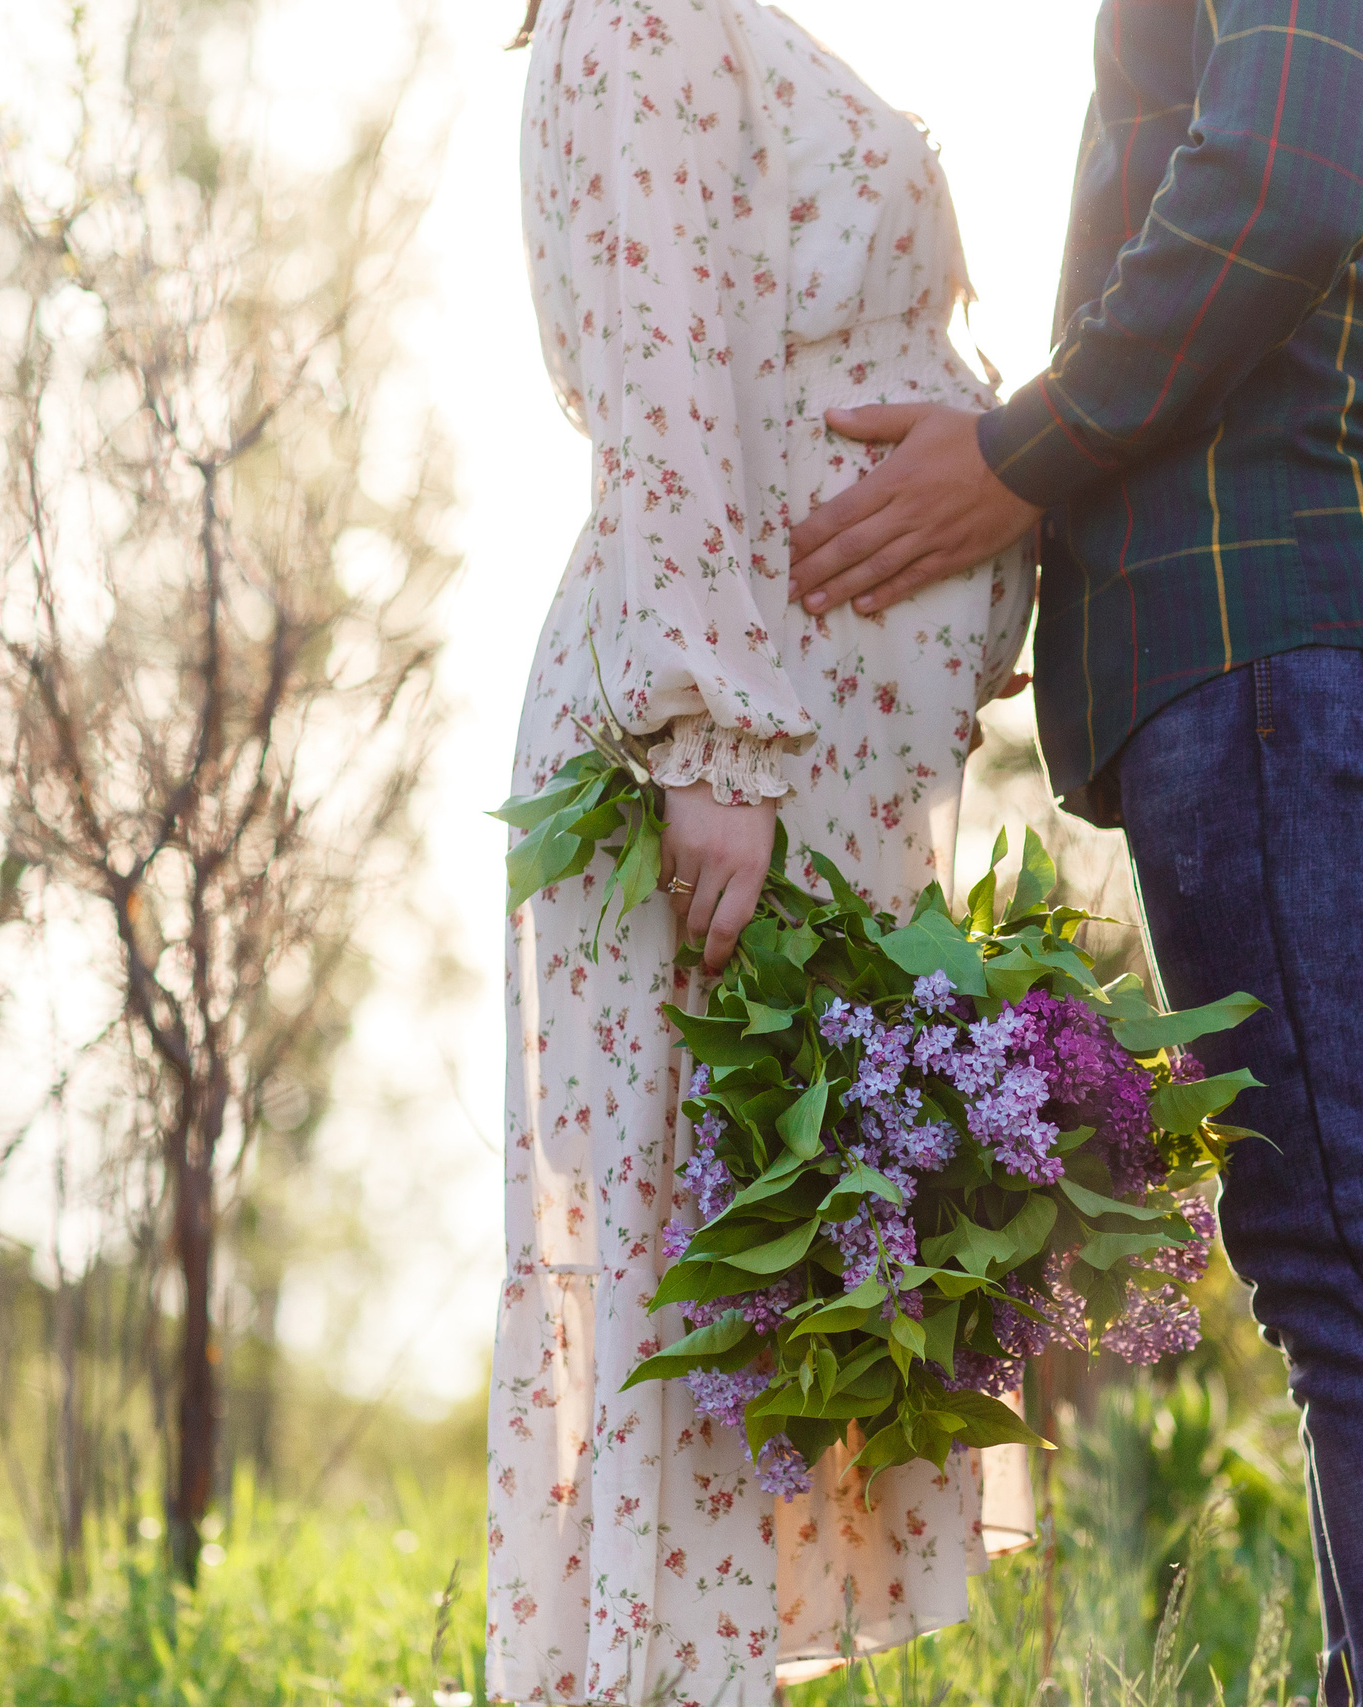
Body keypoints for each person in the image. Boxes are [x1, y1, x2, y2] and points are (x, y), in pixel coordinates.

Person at [784, 0, 1363, 1701]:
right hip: (1286, 626)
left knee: (1356, 1247)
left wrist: (1019, 459)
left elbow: (1280, 177)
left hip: (1285, 608)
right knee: (1337, 1251)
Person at [487, 1, 1035, 1700]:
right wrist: (713, 739)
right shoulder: (640, 11)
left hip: (808, 763)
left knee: (751, 1333)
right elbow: (664, 384)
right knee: (692, 1313)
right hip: (719, 763)